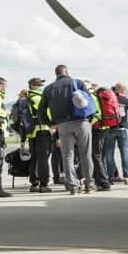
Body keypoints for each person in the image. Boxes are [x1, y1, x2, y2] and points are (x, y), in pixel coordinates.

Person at [39, 64, 94, 194]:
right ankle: (89, 184)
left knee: (67, 156)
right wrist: (90, 118)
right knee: (85, 155)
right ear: (67, 72)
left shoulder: (48, 88)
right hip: (81, 122)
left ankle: (73, 186)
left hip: (62, 125)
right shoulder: (78, 82)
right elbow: (89, 102)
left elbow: (41, 110)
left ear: (56, 74)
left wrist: (50, 123)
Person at [26, 77, 54, 193]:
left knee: (35, 158)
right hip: (42, 130)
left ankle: (34, 183)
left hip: (32, 132)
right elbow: (47, 113)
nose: (41, 87)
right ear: (32, 86)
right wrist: (53, 124)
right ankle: (44, 184)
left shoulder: (27, 97)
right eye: (39, 85)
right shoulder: (37, 98)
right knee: (43, 158)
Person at [104, 83, 128, 184]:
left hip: (110, 128)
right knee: (124, 152)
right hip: (122, 128)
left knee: (109, 154)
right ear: (121, 89)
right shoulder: (125, 99)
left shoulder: (106, 98)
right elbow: (126, 110)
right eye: (124, 90)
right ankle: (127, 176)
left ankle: (111, 176)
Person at [89, 82, 113, 192]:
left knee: (96, 156)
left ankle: (104, 183)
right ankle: (100, 181)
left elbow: (97, 114)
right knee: (101, 156)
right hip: (106, 128)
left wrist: (89, 125)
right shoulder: (102, 97)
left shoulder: (93, 97)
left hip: (97, 129)